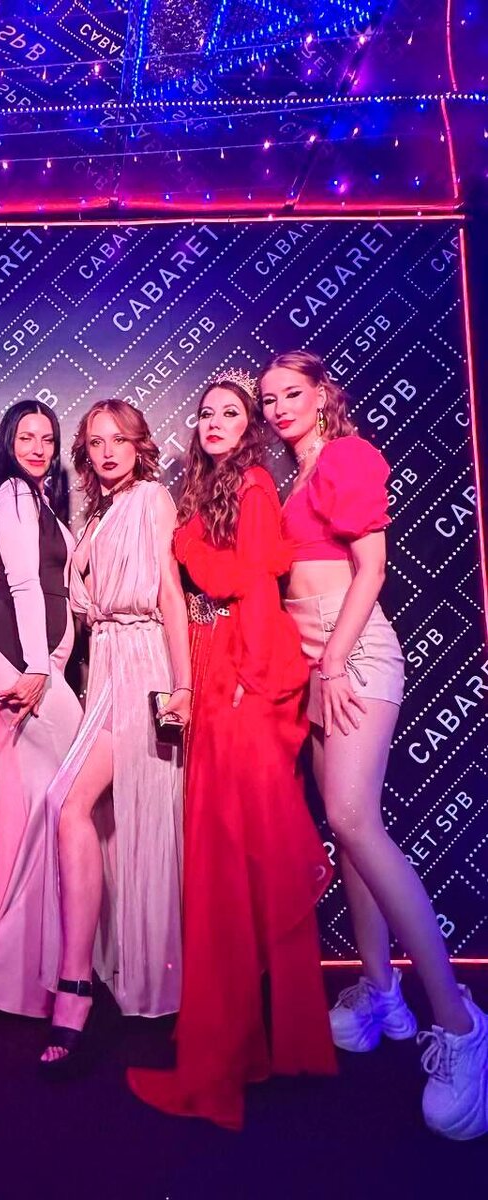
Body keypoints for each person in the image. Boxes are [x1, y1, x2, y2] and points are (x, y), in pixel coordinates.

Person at [260, 349, 488, 1142]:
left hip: (349, 653)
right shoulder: (292, 476)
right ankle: (380, 990)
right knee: (346, 830)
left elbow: (373, 566)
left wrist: (330, 661)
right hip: (313, 658)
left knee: (355, 820)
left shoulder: (346, 456)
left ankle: (460, 1024)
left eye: (292, 393)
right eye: (269, 399)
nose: (279, 408)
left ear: (322, 393)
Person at [127, 371, 336, 1128]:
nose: (215, 422)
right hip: (216, 666)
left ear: (249, 428)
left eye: (231, 413)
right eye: (207, 413)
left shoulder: (250, 483)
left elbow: (248, 584)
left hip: (243, 672)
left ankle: (231, 1056)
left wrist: (246, 680)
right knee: (229, 861)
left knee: (233, 860)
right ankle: (255, 1045)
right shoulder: (209, 488)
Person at [38, 399, 192, 1074]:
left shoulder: (152, 499)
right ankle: (105, 973)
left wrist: (183, 688)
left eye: (118, 440)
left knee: (73, 804)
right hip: (103, 666)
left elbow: (169, 595)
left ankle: (74, 986)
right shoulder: (94, 516)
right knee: (104, 820)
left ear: (139, 446)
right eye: (95, 442)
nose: (106, 452)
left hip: (143, 666)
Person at [0, 401, 83, 1018]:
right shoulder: (12, 493)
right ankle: (26, 972)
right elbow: (24, 584)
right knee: (67, 801)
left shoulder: (41, 502)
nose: (37, 447)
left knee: (35, 809)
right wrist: (38, 666)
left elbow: (69, 589)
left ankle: (22, 978)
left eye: (47, 439)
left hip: (40, 663)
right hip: (19, 663)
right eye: (26, 436)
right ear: (8, 442)